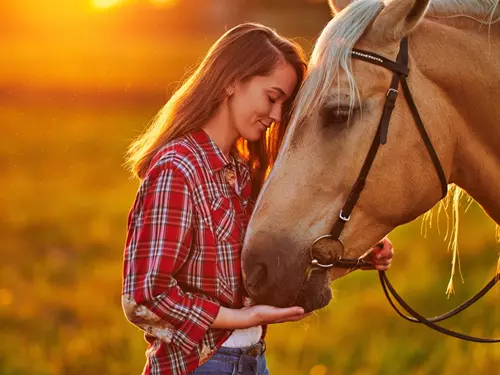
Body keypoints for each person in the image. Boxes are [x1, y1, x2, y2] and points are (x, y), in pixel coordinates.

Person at [122, 23, 395, 375]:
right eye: (272, 97)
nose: (277, 116)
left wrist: (359, 252)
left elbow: (269, 253)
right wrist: (241, 317)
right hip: (199, 366)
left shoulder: (244, 174)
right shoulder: (178, 169)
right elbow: (146, 294)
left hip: (252, 361)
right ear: (231, 81)